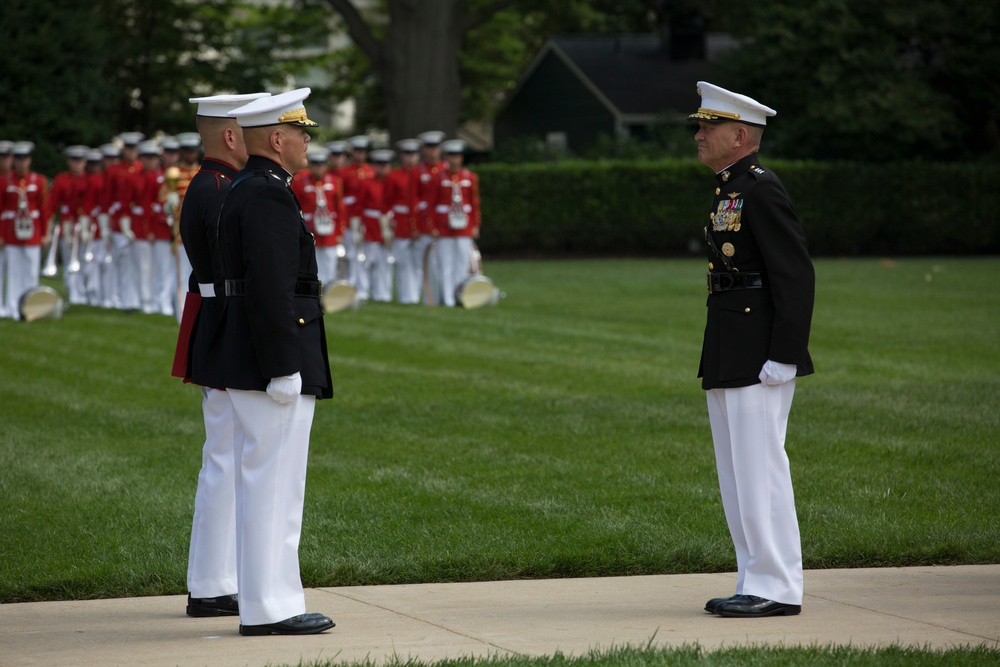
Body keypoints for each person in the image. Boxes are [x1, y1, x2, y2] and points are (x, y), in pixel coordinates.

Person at [689, 81, 815, 618]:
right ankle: (752, 575)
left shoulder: (760, 189)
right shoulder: (728, 187)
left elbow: (795, 275)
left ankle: (778, 585)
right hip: (730, 340)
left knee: (760, 467)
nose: (698, 135)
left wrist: (785, 355)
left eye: (707, 127)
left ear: (739, 135)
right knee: (736, 470)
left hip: (760, 350)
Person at [213, 87, 334, 636]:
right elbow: (268, 288)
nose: (308, 142)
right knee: (274, 482)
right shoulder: (265, 195)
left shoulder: (257, 188)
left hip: (257, 356)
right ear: (278, 139)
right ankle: (268, 607)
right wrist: (284, 365)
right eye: (302, 133)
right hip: (269, 362)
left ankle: (276, 598)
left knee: (274, 483)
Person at [172, 92, 271, 620]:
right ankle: (212, 583)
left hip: (215, 325)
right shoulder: (221, 190)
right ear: (231, 137)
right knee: (228, 460)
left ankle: (214, 580)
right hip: (226, 328)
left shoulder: (212, 185)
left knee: (225, 458)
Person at [1, 141, 49, 320]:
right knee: (13, 272)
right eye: (18, 159)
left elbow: (45, 209)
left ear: (30, 160)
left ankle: (31, 306)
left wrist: (45, 234)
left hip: (33, 233)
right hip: (11, 232)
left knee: (30, 270)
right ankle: (13, 307)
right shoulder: (4, 180)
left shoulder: (40, 180)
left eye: (25, 159)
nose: (22, 162)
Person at [431, 139, 480, 307]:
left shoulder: (470, 177)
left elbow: (474, 203)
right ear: (446, 157)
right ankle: (447, 298)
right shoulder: (438, 177)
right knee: (445, 264)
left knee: (462, 262)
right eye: (451, 156)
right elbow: (431, 203)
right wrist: (433, 226)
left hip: (464, 226)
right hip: (444, 226)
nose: (455, 159)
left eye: (457, 155)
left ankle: (460, 294)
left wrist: (475, 225)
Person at [292, 146, 345, 289]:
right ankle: (313, 289)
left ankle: (329, 289)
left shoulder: (335, 181)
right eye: (315, 165)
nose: (318, 168)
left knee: (330, 259)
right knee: (312, 259)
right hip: (310, 228)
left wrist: (340, 231)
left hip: (330, 230)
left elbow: (340, 208)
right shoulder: (299, 182)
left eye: (321, 165)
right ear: (310, 166)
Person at [48, 145, 91, 305]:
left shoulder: (89, 180)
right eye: (74, 160)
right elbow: (53, 204)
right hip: (67, 223)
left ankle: (83, 293)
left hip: (85, 224)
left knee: (84, 260)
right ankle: (73, 293)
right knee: (69, 260)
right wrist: (52, 226)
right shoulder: (61, 179)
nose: (77, 164)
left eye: (80, 161)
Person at [356, 148, 395, 302]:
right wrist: (357, 228)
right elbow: (359, 206)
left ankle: (383, 293)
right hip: (371, 225)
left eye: (386, 164)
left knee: (385, 262)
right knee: (368, 260)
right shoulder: (367, 183)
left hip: (391, 223)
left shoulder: (394, 181)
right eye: (379, 164)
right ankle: (364, 291)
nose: (383, 167)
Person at [385, 138, 420, 304]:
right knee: (403, 261)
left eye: (413, 153)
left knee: (419, 262)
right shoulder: (394, 176)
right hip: (401, 222)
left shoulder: (423, 174)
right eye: (407, 153)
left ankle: (418, 294)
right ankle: (405, 296)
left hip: (420, 222)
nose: (411, 157)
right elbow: (388, 202)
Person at [414, 131, 445, 304]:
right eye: (429, 147)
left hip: (442, 224)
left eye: (435, 147)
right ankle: (427, 297)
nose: (433, 151)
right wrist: (414, 226)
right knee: (424, 264)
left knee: (444, 264)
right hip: (423, 224)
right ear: (424, 149)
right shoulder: (418, 171)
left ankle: (443, 295)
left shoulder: (445, 170)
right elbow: (413, 202)